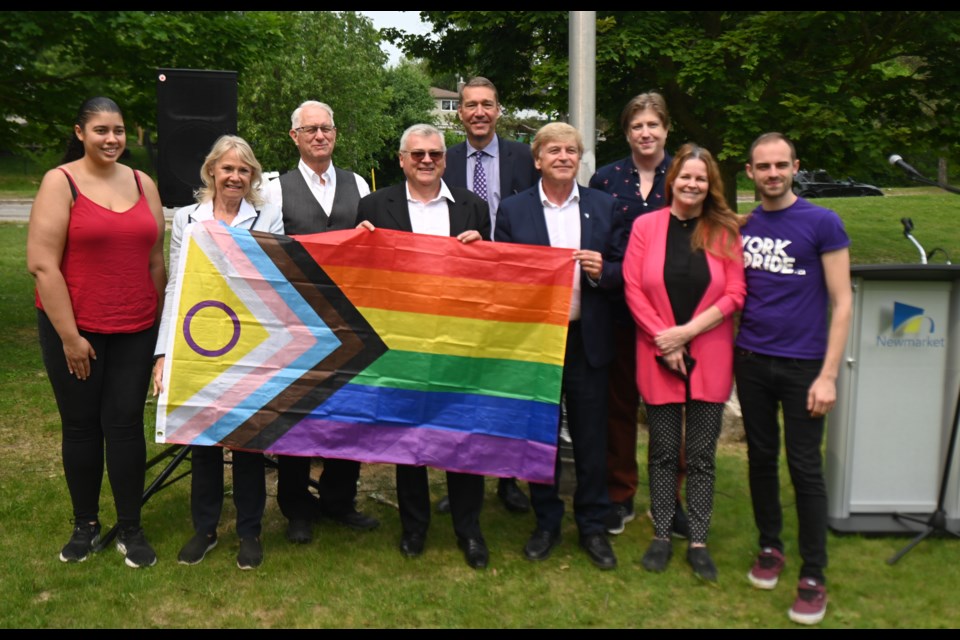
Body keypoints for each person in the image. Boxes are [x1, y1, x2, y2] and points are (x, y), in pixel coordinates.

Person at [26, 96, 166, 568]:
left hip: (136, 325)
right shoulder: (60, 182)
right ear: (80, 132)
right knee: (82, 426)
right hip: (75, 329)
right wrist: (69, 337)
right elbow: (43, 264)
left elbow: (155, 260)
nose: (112, 139)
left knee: (125, 425)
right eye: (102, 130)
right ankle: (84, 525)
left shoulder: (144, 183)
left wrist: (161, 331)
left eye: (120, 130)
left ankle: (131, 527)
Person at [355, 123, 490, 570]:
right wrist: (360, 243)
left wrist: (482, 249)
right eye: (417, 154)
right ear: (402, 159)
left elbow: (488, 277)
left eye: (434, 153)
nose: (427, 160)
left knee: (462, 439)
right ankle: (415, 527)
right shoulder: (375, 206)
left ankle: (468, 529)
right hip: (402, 341)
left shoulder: (472, 207)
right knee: (409, 440)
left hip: (458, 341)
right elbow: (359, 274)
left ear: (445, 160)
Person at [495, 122, 624, 571]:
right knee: (541, 438)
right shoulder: (513, 211)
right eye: (554, 150)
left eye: (571, 150)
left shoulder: (604, 206)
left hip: (587, 340)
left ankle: (591, 525)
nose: (563, 157)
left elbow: (625, 270)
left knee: (591, 438)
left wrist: (601, 272)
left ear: (579, 158)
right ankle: (546, 521)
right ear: (538, 159)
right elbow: (505, 275)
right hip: (538, 344)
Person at [152, 135, 284, 570]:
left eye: (243, 170)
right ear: (211, 171)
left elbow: (277, 284)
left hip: (250, 341)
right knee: (202, 439)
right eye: (227, 169)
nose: (235, 177)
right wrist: (164, 354)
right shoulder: (187, 218)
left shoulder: (267, 217)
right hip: (197, 343)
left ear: (252, 177)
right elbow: (175, 285)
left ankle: (249, 531)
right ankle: (205, 528)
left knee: (248, 439)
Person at [737, 132, 852, 625]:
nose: (773, 173)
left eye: (781, 165)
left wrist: (828, 376)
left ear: (795, 167)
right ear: (750, 172)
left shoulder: (822, 222)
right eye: (763, 166)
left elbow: (843, 301)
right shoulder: (742, 226)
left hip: (806, 365)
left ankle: (813, 574)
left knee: (804, 468)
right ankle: (769, 547)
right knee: (761, 458)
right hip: (753, 360)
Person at [622, 143, 746, 581]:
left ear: (710, 185)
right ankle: (660, 534)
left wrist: (686, 334)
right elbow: (634, 288)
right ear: (672, 179)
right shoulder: (645, 226)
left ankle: (698, 539)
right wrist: (666, 342)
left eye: (701, 178)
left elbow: (735, 294)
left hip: (710, 355)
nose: (692, 184)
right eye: (686, 176)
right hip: (657, 355)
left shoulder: (724, 231)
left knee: (700, 455)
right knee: (661, 452)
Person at [263, 100, 379, 545]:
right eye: (309, 129)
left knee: (347, 414)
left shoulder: (356, 184)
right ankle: (296, 508)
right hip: (297, 319)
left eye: (326, 128)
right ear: (294, 137)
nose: (319, 135)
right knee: (299, 413)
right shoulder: (275, 187)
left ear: (335, 134)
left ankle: (339, 500)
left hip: (351, 319)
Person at [589, 91, 690, 539]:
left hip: (674, 316)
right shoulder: (606, 180)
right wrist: (609, 275)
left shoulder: (686, 177)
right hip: (617, 310)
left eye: (653, 125)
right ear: (626, 132)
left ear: (666, 129)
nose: (645, 133)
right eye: (636, 126)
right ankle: (620, 494)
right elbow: (596, 240)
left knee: (673, 412)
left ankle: (673, 500)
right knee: (619, 408)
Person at [438, 76, 540, 515]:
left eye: (487, 104)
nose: (479, 112)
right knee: (460, 387)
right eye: (470, 105)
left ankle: (508, 478)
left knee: (507, 383)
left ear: (499, 110)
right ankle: (459, 477)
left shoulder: (524, 156)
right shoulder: (444, 159)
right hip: (462, 289)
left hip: (516, 287)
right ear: (459, 113)